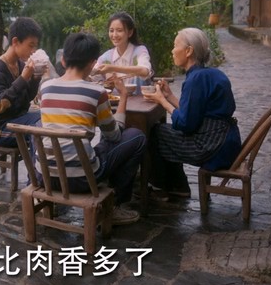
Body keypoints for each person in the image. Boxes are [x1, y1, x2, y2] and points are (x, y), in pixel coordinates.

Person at [38, 32, 146, 225]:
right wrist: (123, 97)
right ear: (92, 63)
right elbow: (114, 136)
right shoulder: (96, 91)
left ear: (63, 60)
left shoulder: (45, 88)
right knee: (136, 137)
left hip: (45, 177)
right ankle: (115, 205)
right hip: (81, 179)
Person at [143, 27, 242, 198]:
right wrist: (170, 96)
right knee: (165, 132)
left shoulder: (195, 80)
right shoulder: (210, 74)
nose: (172, 51)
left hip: (212, 147)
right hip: (227, 141)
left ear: (188, 51)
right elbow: (193, 113)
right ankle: (178, 186)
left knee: (155, 133)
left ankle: (163, 187)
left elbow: (186, 124)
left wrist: (162, 101)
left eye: (175, 46)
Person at [0, 17, 44, 146]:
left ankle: (44, 164)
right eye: (31, 45)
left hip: (18, 119)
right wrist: (23, 78)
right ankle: (38, 166)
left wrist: (35, 77)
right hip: (1, 130)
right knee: (39, 130)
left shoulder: (20, 64)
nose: (33, 51)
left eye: (35, 46)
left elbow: (28, 97)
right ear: (16, 41)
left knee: (51, 115)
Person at [92, 12, 153, 90]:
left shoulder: (140, 51)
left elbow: (144, 71)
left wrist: (112, 68)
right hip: (115, 101)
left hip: (139, 101)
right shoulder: (106, 57)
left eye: (119, 30)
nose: (114, 35)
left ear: (130, 32)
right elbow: (92, 75)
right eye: (111, 30)